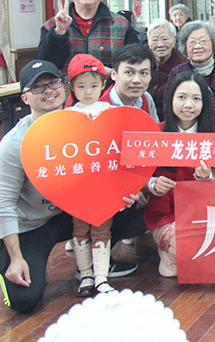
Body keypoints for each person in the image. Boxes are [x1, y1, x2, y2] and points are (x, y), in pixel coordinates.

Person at [0, 60, 142, 314]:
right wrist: (15, 258)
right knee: (24, 299)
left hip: (72, 213)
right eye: (37, 87)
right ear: (24, 98)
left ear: (65, 88)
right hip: (31, 226)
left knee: (132, 205)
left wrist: (126, 191)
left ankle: (92, 267)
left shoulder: (86, 121)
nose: (48, 91)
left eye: (53, 83)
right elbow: (4, 203)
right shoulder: (14, 143)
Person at [144, 72, 215, 277]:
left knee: (208, 262)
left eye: (196, 99)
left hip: (201, 215)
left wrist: (206, 178)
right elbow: (137, 177)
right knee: (188, 256)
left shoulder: (214, 138)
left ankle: (172, 254)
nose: (188, 105)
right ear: (171, 99)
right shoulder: (154, 133)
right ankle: (169, 249)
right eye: (182, 97)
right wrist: (152, 184)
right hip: (164, 214)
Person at [64, 55, 114, 296]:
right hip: (79, 185)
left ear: (103, 85)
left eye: (94, 85)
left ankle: (102, 277)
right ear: (72, 88)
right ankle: (85, 274)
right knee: (80, 229)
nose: (88, 92)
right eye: (81, 86)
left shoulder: (109, 111)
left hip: (103, 185)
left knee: (102, 229)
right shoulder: (67, 115)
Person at [37, 0, 139, 71]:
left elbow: (135, 63)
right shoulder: (52, 25)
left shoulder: (121, 25)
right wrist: (59, 33)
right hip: (68, 82)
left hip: (108, 81)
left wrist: (112, 73)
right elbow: (45, 66)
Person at [167, 21, 215, 133]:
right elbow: (168, 106)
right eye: (192, 42)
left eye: (203, 41)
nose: (197, 46)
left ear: (213, 43)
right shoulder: (177, 72)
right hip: (186, 133)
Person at [99, 44, 159, 120]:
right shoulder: (99, 108)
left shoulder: (146, 98)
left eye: (143, 73)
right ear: (114, 74)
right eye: (129, 72)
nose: (136, 80)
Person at [146, 19, 184, 118]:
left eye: (165, 39)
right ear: (148, 42)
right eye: (155, 40)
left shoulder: (182, 66)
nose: (160, 45)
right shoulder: (142, 64)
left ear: (174, 41)